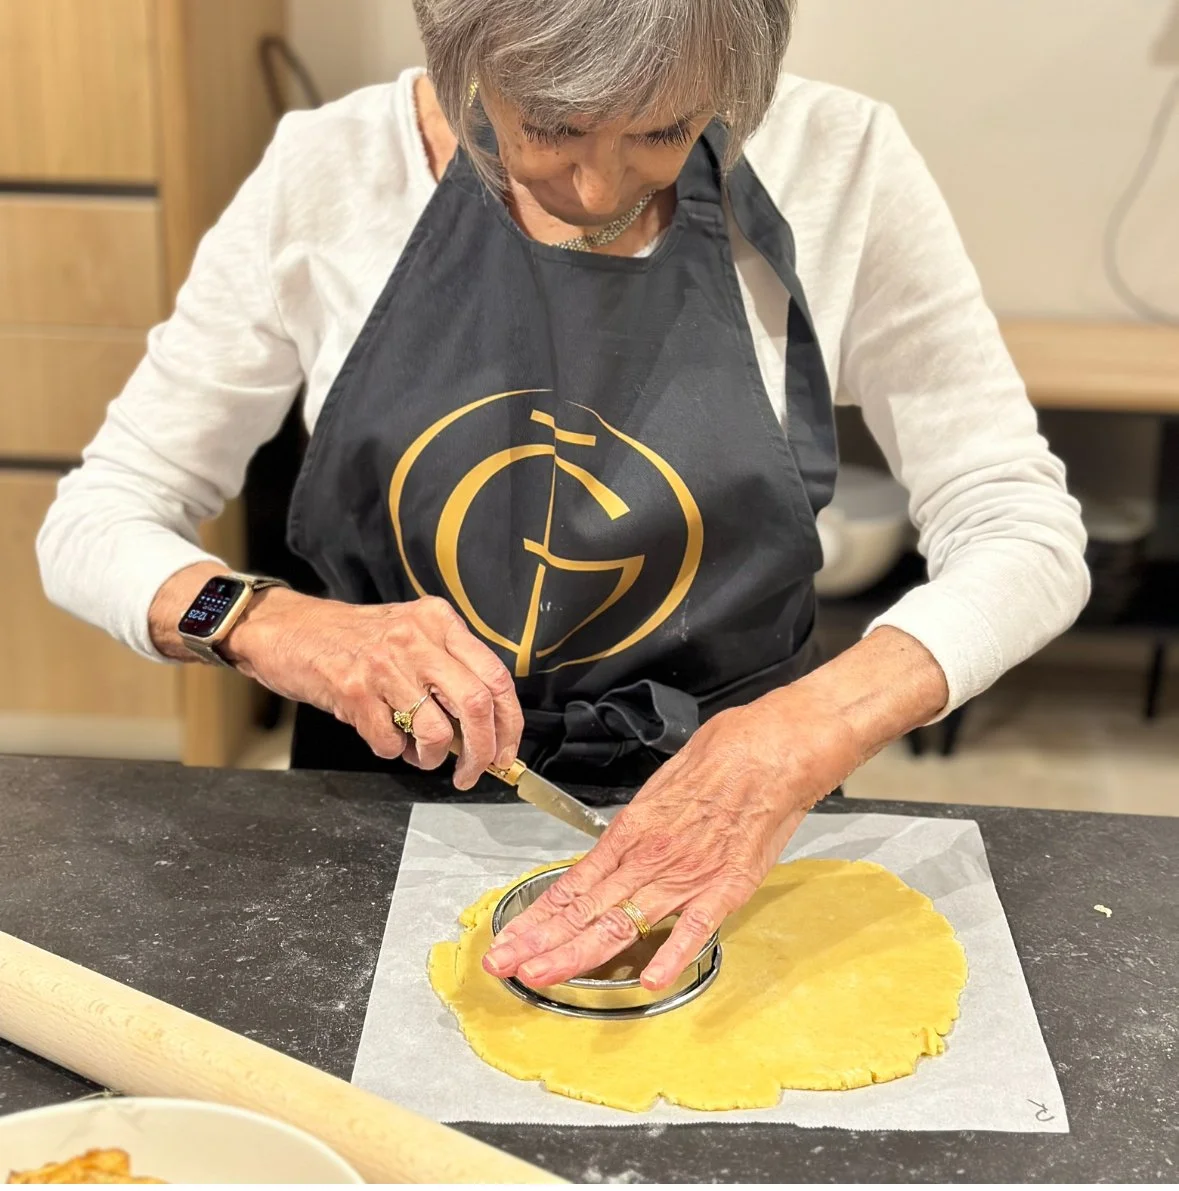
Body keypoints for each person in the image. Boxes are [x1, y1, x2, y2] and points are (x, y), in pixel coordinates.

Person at [38, 0, 1087, 994]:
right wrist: (277, 625)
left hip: (732, 820)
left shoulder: (841, 161)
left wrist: (804, 732)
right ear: (462, 55)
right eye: (548, 126)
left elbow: (1021, 525)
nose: (596, 188)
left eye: (665, 129)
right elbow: (99, 518)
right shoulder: (330, 173)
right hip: (381, 810)